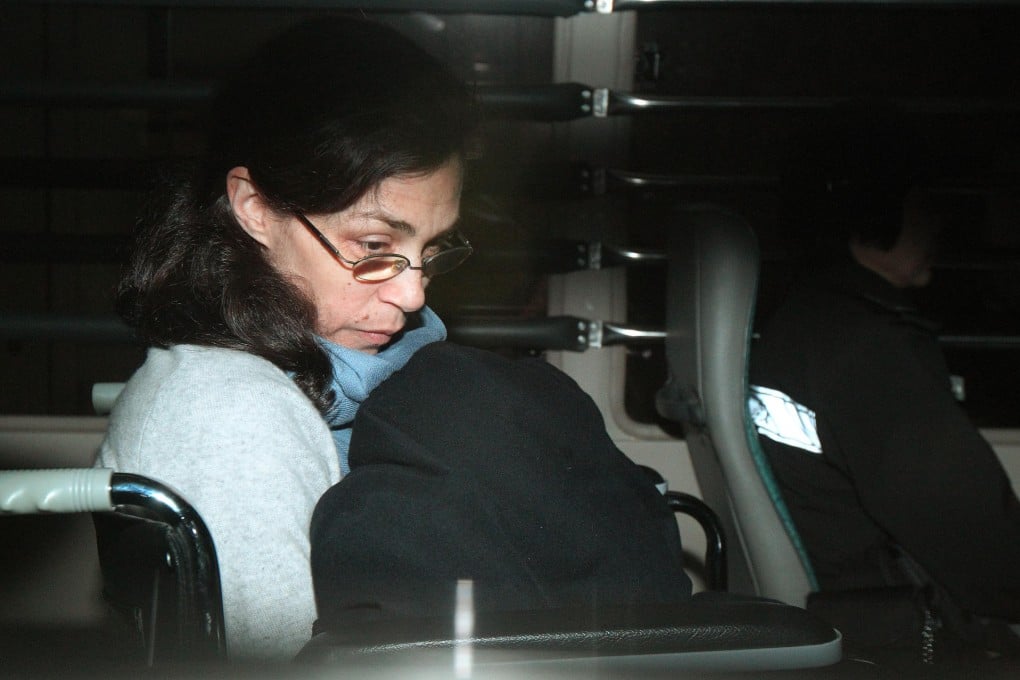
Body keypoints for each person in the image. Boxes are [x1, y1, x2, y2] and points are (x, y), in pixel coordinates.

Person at [95, 17, 477, 660]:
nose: (414, 296)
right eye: (375, 246)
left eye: (430, 249)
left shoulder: (328, 380)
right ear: (254, 208)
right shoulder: (232, 412)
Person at [748, 110, 1020, 661]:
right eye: (922, 204)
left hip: (849, 604)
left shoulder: (805, 318)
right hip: (907, 632)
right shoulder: (868, 348)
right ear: (875, 209)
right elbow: (984, 549)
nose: (937, 222)